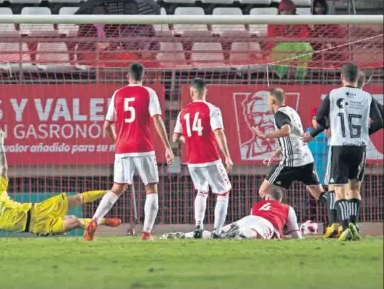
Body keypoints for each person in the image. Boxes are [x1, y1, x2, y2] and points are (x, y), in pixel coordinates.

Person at [83, 63, 175, 241]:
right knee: (151, 189)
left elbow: (106, 125)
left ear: (128, 77)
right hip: (143, 147)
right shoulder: (149, 93)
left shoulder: (118, 94)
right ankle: (146, 233)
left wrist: (118, 142)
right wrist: (167, 147)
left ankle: (94, 220)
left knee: (116, 188)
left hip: (123, 148)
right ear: (143, 77)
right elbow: (157, 119)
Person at [314, 63, 383, 241]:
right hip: (359, 147)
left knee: (338, 188)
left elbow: (320, 117)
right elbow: (380, 121)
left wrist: (330, 126)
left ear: (342, 77)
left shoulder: (334, 94)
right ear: (357, 78)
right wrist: (365, 132)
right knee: (354, 187)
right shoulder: (367, 96)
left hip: (339, 145)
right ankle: (353, 224)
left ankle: (345, 226)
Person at [171, 78, 233, 239]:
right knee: (223, 192)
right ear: (205, 91)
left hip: (192, 160)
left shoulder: (183, 111)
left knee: (202, 191)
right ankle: (217, 232)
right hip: (210, 158)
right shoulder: (211, 109)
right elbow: (219, 132)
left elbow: (175, 138)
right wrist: (227, 156)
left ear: (191, 92)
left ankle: (198, 225)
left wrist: (189, 140)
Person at [251, 88, 328, 210]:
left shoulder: (279, 114)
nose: (267, 103)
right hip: (306, 160)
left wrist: (264, 135)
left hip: (291, 162)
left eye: (268, 100)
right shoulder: (292, 111)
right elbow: (294, 139)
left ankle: (278, 217)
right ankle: (340, 217)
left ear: (272, 100)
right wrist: (273, 155)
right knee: (321, 195)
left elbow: (286, 131)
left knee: (264, 191)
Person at [220, 187, 302, 240]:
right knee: (255, 232)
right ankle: (241, 234)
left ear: (268, 197)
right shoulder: (287, 208)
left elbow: (253, 218)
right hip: (268, 223)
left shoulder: (255, 206)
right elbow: (295, 232)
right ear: (280, 199)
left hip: (248, 218)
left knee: (230, 228)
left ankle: (214, 233)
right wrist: (300, 239)